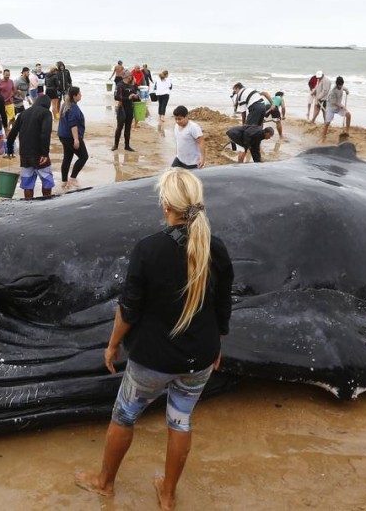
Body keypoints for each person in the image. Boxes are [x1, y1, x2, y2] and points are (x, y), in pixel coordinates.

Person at [74, 168, 233, 511]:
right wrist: (217, 344)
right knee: (180, 420)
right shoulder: (215, 247)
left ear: (166, 205)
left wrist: (113, 344)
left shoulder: (149, 249)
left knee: (124, 415)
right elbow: (223, 305)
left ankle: (104, 482)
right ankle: (168, 493)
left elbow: (129, 309)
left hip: (153, 360)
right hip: (200, 358)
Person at [8, 95, 54, 199]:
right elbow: (45, 134)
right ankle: (47, 202)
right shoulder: (46, 113)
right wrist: (45, 153)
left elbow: (12, 133)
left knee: (27, 183)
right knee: (47, 180)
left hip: (24, 154)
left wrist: (10, 149)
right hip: (38, 153)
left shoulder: (23, 113)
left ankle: (29, 204)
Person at [58, 86, 87, 189]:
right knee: (84, 156)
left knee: (67, 157)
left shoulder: (65, 104)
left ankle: (64, 181)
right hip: (70, 136)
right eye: (79, 94)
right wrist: (76, 139)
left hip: (63, 135)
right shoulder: (73, 107)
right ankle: (73, 178)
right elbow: (73, 124)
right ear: (74, 96)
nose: (81, 95)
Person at [319, 77, 351, 143]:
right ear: (337, 84)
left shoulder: (341, 86)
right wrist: (342, 106)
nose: (341, 86)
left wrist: (347, 91)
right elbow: (334, 102)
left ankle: (347, 132)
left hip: (338, 107)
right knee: (327, 123)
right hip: (331, 108)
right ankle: (323, 137)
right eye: (339, 85)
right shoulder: (333, 91)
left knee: (348, 115)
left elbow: (344, 88)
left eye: (342, 85)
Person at [113, 73, 140, 151]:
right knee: (119, 127)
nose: (131, 77)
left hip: (129, 108)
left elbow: (136, 96)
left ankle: (127, 146)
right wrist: (128, 97)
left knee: (128, 128)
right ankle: (115, 145)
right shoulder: (120, 85)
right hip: (121, 108)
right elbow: (116, 97)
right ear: (126, 77)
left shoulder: (131, 86)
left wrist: (136, 96)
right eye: (130, 76)